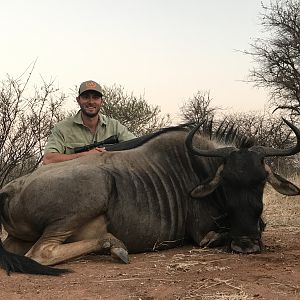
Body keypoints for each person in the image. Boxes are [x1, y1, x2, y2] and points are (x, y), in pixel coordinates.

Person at [43, 80, 136, 165]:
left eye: (95, 98)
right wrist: (86, 155)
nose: (91, 102)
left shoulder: (115, 126)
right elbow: (48, 159)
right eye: (86, 97)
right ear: (78, 100)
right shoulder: (62, 128)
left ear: (102, 101)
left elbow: (136, 146)